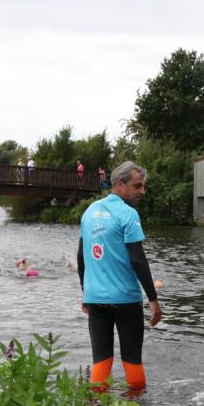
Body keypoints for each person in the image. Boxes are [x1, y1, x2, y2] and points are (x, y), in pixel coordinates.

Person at [77, 161, 162, 393]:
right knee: (132, 359)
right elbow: (137, 260)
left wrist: (86, 292)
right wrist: (153, 300)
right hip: (125, 300)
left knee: (101, 359)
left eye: (143, 186)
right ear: (119, 184)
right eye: (137, 186)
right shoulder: (128, 213)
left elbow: (81, 257)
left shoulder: (89, 211)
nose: (142, 192)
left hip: (95, 300)